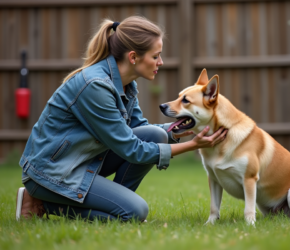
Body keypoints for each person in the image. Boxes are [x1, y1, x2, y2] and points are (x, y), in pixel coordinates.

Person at [15, 16, 227, 222]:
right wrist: (192, 146)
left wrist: (175, 130)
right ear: (133, 57)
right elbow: (132, 149)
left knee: (156, 135)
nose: (161, 62)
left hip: (81, 160)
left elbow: (140, 130)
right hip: (51, 172)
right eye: (156, 56)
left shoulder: (127, 84)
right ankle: (41, 202)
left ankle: (117, 208)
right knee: (137, 212)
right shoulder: (96, 86)